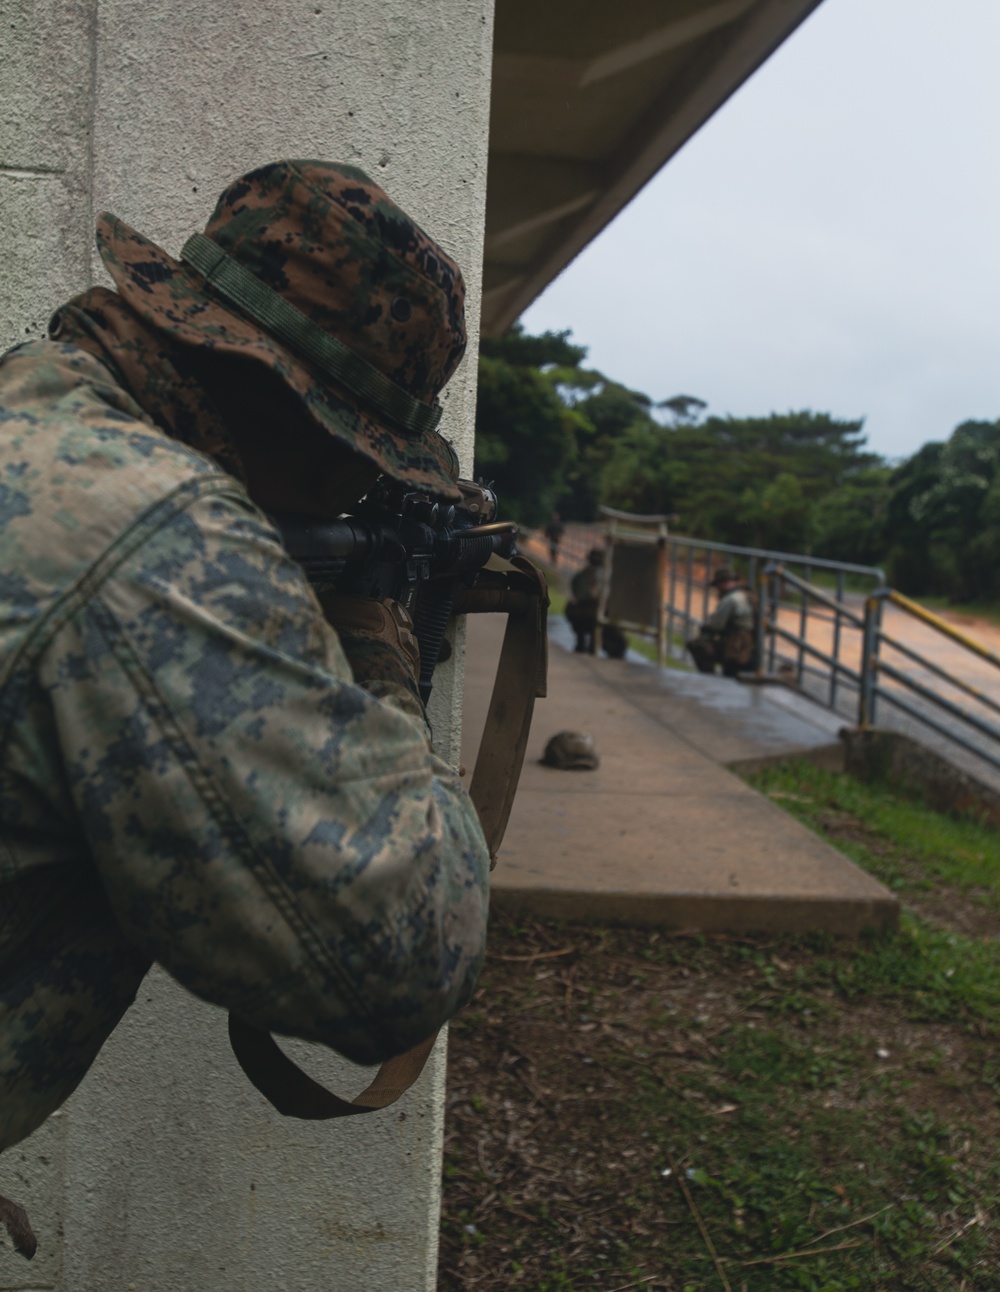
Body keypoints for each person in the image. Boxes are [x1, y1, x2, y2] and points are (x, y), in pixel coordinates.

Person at [0, 161, 491, 1182]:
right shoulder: (157, 539)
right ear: (297, 408)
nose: (367, 482)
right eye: (371, 458)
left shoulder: (36, 410)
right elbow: (401, 957)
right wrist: (379, 659)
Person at [687, 566, 756, 677]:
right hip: (752, 649)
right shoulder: (747, 595)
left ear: (722, 583)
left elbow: (715, 625)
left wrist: (704, 627)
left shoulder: (731, 599)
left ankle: (709, 679)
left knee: (697, 645)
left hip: (736, 649)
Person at [564, 547, 627, 658]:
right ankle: (592, 645)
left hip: (577, 615)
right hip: (594, 616)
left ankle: (583, 643)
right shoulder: (605, 577)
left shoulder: (580, 575)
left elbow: (575, 594)